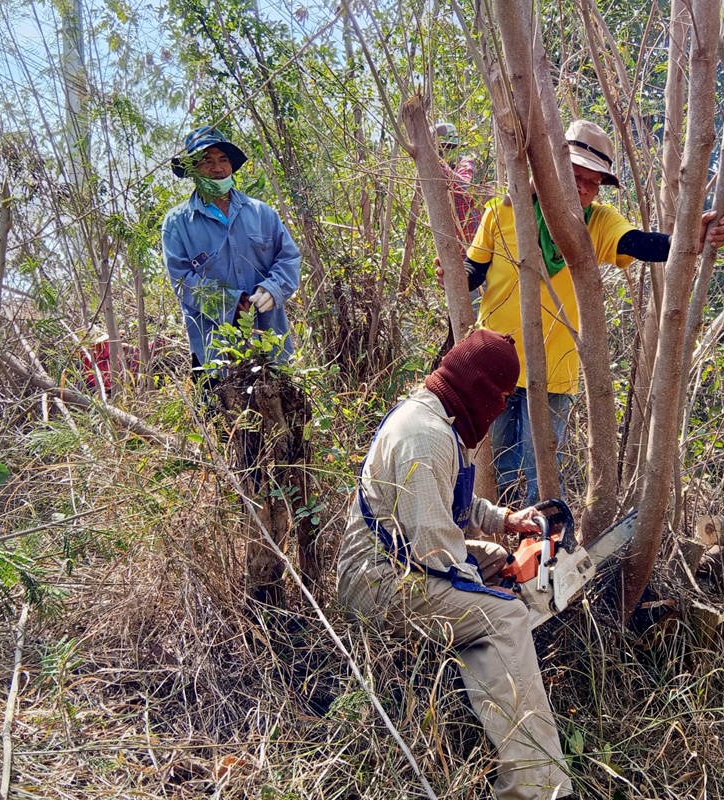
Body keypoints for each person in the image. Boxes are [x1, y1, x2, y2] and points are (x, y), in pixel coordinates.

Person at [336, 329, 574, 800]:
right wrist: (491, 597)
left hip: (406, 559)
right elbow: (437, 549)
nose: (502, 408)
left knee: (496, 561)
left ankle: (485, 651)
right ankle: (537, 786)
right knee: (506, 615)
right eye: (503, 397)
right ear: (483, 390)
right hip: (380, 581)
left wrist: (505, 520)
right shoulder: (424, 438)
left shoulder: (441, 415)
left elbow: (450, 508)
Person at [451, 119, 724, 505]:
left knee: (541, 475)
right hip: (491, 363)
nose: (582, 187)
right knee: (490, 465)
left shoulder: (597, 222)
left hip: (553, 371)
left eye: (593, 181)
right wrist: (452, 272)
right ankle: (493, 546)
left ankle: (544, 555)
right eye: (573, 174)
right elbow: (473, 270)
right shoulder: (501, 212)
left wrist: (690, 239)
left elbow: (640, 243)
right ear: (549, 170)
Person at [161, 125, 302, 377]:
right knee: (223, 413)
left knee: (283, 410)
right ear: (193, 170)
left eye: (223, 160)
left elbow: (288, 257)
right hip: (214, 352)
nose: (217, 168)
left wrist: (272, 289)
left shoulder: (261, 213)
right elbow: (182, 280)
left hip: (270, 341)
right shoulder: (177, 223)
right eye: (207, 161)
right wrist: (232, 303)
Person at [433, 121, 483, 251]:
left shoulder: (465, 164)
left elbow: (463, 186)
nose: (445, 152)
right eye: (443, 148)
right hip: (451, 244)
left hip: (471, 244)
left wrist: (437, 164)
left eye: (449, 148)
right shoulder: (435, 176)